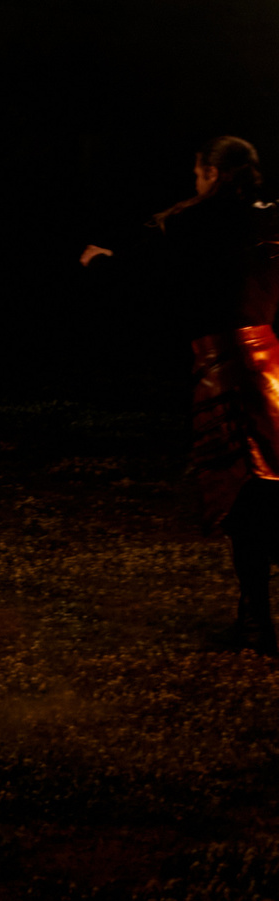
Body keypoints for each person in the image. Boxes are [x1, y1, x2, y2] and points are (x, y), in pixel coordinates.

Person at [83, 135, 279, 656]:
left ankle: (257, 622)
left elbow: (145, 269)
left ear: (213, 173)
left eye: (199, 174)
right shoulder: (270, 217)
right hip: (272, 360)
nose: (196, 183)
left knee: (244, 494)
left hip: (226, 363)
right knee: (267, 488)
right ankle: (255, 620)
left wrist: (99, 263)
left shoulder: (196, 218)